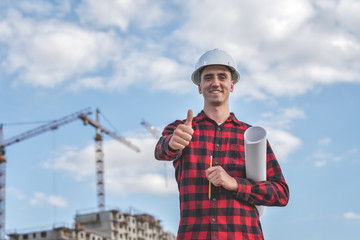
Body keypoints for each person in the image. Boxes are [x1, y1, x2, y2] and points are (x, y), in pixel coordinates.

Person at [154, 49, 289, 240]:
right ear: (199, 86)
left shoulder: (251, 136)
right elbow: (161, 151)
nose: (215, 83)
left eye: (222, 77)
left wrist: (235, 184)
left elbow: (281, 193)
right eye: (208, 77)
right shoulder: (182, 129)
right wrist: (173, 144)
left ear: (231, 85)